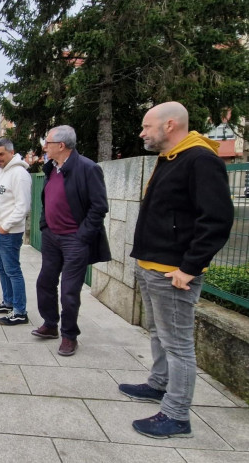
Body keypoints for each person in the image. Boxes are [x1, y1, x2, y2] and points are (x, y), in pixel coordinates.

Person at [119, 102, 233, 439]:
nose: (142, 132)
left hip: (173, 273)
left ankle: (177, 414)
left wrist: (189, 267)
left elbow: (216, 220)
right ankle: (159, 384)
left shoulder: (200, 160)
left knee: (178, 344)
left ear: (170, 125)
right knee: (158, 334)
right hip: (152, 265)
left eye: (146, 126)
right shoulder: (171, 158)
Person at [32, 125, 111, 356]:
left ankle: (69, 335)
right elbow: (49, 200)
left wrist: (82, 235)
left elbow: (99, 206)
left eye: (47, 143)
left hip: (74, 239)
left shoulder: (88, 168)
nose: (44, 147)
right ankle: (50, 325)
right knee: (45, 282)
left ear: (61, 145)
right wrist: (45, 226)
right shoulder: (52, 168)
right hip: (51, 237)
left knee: (69, 289)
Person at [0, 139, 32, 325]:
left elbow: (23, 206)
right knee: (1, 268)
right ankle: (8, 302)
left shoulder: (19, 174)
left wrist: (5, 226)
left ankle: (20, 311)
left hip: (8, 233)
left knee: (12, 271)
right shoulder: (0, 173)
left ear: (11, 153)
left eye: (1, 154)